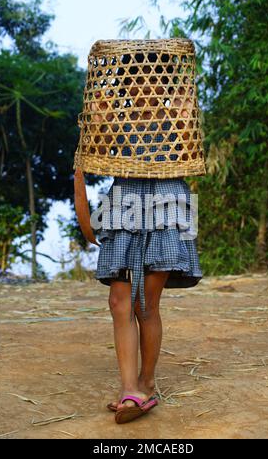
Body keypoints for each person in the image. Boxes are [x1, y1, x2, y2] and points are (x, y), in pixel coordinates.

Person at [74, 76, 203, 424]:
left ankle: (148, 381)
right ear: (125, 86)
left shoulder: (179, 113)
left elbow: (190, 143)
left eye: (151, 80)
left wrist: (182, 102)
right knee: (119, 301)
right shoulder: (114, 117)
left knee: (146, 302)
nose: (142, 86)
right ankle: (129, 387)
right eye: (133, 81)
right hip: (124, 202)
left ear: (164, 84)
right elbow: (93, 155)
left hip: (167, 199)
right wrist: (96, 118)